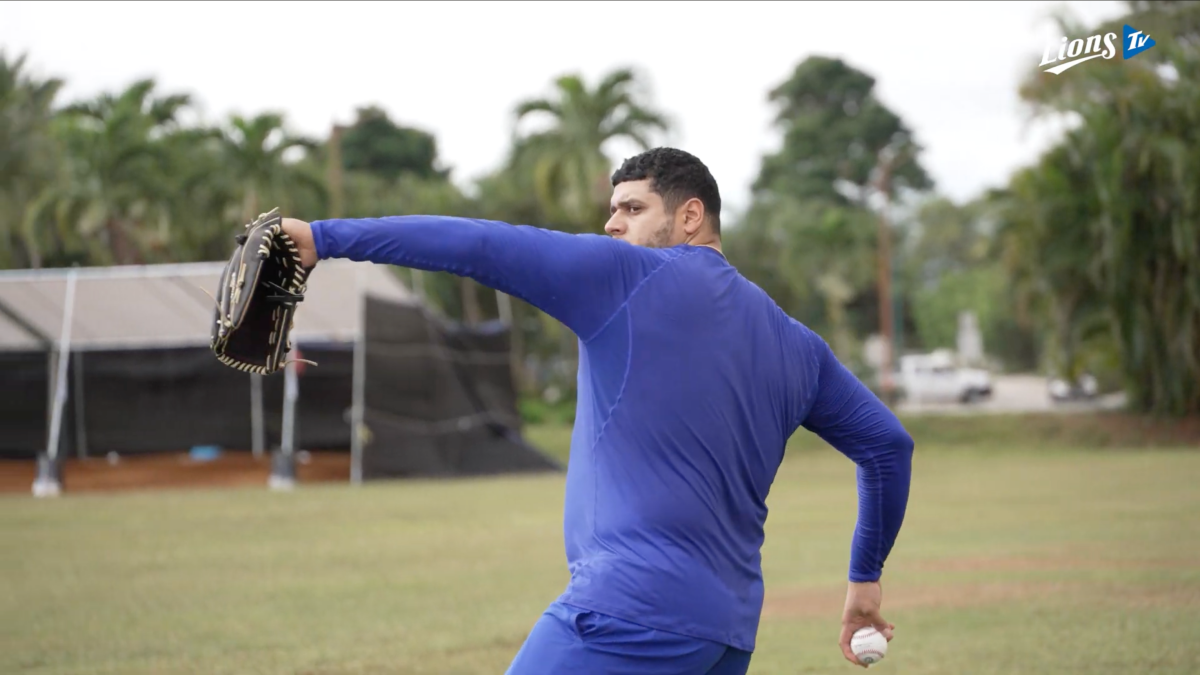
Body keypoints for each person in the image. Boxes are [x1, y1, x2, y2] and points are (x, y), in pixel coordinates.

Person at [280, 147, 914, 674]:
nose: (613, 225)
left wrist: (322, 239)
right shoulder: (797, 343)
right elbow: (888, 448)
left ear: (691, 216)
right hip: (725, 639)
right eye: (611, 211)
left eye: (632, 209)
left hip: (627, 613)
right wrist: (864, 581)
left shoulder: (629, 277)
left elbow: (477, 244)